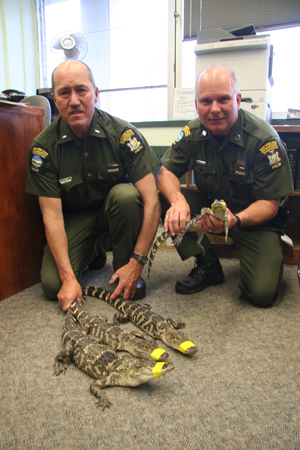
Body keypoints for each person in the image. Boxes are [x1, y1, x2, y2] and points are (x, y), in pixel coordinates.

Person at [26, 60, 161, 311]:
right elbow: (52, 218)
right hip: (75, 219)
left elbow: (152, 203)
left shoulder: (123, 135)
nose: (74, 100)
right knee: (52, 286)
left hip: (116, 213)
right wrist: (68, 279)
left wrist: (137, 263)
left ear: (96, 93)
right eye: (64, 93)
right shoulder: (44, 148)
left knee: (126, 195)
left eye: (82, 90)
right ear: (55, 99)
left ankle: (125, 268)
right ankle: (94, 251)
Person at [157, 65, 294, 307]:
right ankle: (207, 263)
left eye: (223, 99)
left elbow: (270, 204)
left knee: (260, 295)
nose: (214, 109)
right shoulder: (193, 132)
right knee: (165, 197)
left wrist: (235, 220)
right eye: (206, 101)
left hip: (255, 220)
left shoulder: (263, 140)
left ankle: (272, 251)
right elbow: (166, 172)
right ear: (197, 104)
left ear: (238, 100)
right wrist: (178, 201)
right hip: (214, 208)